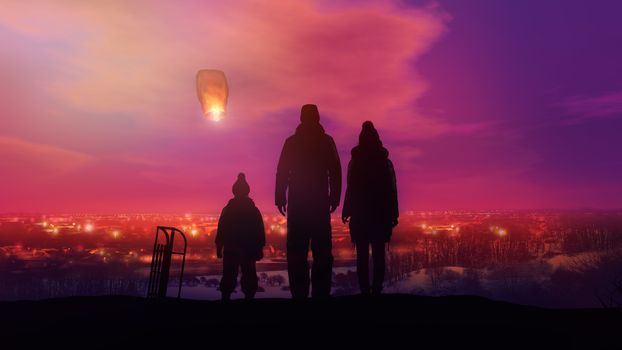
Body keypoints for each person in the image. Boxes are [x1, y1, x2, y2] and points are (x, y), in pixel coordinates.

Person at [275, 104, 342, 299]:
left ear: (302, 118)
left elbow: (282, 172)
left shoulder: (292, 142)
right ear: (318, 118)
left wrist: (280, 196)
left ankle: (299, 294)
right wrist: (334, 198)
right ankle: (320, 294)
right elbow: (335, 171)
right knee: (322, 253)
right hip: (319, 204)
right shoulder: (326, 142)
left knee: (297, 253)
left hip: (298, 204)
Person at [342, 121, 398, 295]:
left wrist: (346, 210)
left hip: (360, 216)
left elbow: (350, 187)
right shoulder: (385, 162)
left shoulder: (355, 162)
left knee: (362, 256)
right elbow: (392, 189)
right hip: (380, 216)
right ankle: (377, 288)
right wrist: (393, 214)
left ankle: (364, 289)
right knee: (379, 255)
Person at [216, 173, 266, 300]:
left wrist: (219, 246)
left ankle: (225, 299)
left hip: (231, 248)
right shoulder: (253, 210)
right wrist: (259, 248)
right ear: (247, 191)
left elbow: (221, 229)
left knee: (229, 275)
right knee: (249, 275)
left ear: (234, 191)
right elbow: (259, 230)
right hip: (248, 249)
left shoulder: (228, 209)